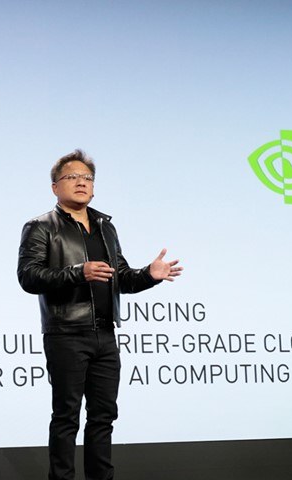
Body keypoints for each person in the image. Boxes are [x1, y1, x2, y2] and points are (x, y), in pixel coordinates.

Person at [17, 149, 182, 480]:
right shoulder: (40, 227)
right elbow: (29, 277)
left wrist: (149, 274)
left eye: (87, 178)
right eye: (72, 177)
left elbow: (121, 279)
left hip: (106, 335)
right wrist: (78, 272)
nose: (81, 182)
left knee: (104, 416)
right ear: (55, 187)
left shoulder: (106, 227)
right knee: (66, 417)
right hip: (66, 334)